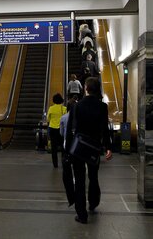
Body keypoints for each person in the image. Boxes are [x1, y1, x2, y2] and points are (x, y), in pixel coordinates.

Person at [65, 77, 112, 224]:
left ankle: (82, 214)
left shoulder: (77, 106)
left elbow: (70, 129)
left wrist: (67, 150)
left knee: (79, 180)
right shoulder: (102, 107)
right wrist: (108, 147)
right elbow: (105, 129)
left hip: (79, 148)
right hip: (94, 147)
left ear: (86, 88)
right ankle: (93, 202)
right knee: (93, 176)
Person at [47, 93, 67, 168]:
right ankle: (63, 161)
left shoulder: (51, 108)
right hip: (61, 129)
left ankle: (55, 164)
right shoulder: (64, 108)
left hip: (52, 129)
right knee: (63, 146)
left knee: (54, 147)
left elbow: (48, 119)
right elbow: (65, 119)